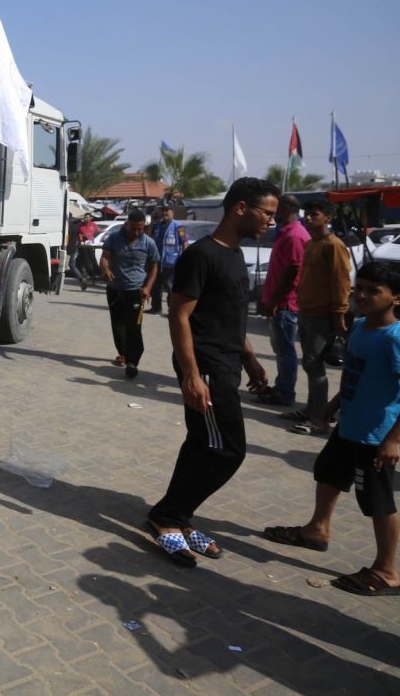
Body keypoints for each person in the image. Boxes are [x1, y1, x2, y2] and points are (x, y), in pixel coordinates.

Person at [263, 262, 400, 596]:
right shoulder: (362, 326)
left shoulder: (397, 339)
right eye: (359, 288)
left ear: (399, 298)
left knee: (377, 502)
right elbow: (357, 375)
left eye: (373, 290)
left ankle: (387, 570)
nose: (362, 295)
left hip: (376, 437)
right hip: (349, 425)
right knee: (328, 474)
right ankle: (316, 530)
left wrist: (394, 438)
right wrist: (334, 404)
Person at [145, 178, 278, 567]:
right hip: (206, 368)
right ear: (240, 208)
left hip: (227, 363)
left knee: (201, 443)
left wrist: (250, 357)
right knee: (228, 450)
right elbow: (180, 316)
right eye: (266, 213)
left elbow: (231, 317)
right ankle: (167, 516)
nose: (271, 220)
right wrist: (191, 375)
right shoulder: (200, 255)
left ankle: (177, 517)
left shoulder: (234, 255)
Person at [292, 200, 353, 434]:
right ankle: (311, 409)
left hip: (322, 316)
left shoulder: (334, 245)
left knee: (314, 365)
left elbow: (341, 282)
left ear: (327, 218)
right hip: (306, 312)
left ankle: (320, 418)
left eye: (314, 214)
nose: (308, 218)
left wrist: (339, 315)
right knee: (309, 364)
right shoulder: (311, 244)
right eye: (306, 214)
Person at [256, 194, 310, 407]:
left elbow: (293, 272)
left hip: (285, 305)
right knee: (281, 349)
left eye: (275, 209)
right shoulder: (286, 233)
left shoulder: (295, 235)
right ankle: (282, 387)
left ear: (285, 209)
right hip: (279, 303)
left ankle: (285, 392)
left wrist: (274, 301)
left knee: (285, 350)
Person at [98, 208, 159, 378]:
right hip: (115, 290)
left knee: (134, 327)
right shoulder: (114, 238)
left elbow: (154, 267)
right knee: (117, 325)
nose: (137, 231)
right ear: (127, 224)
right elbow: (105, 258)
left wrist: (148, 288)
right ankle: (123, 353)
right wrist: (105, 270)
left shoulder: (148, 243)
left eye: (140, 228)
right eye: (134, 228)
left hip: (136, 292)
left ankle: (133, 361)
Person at [148, 204, 188, 314]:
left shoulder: (178, 227)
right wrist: (152, 222)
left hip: (171, 263)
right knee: (156, 286)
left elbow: (185, 242)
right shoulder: (157, 225)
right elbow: (149, 238)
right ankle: (156, 307)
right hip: (157, 262)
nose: (165, 213)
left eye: (167, 211)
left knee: (171, 288)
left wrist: (182, 259)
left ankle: (172, 310)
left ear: (172, 212)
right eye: (163, 211)